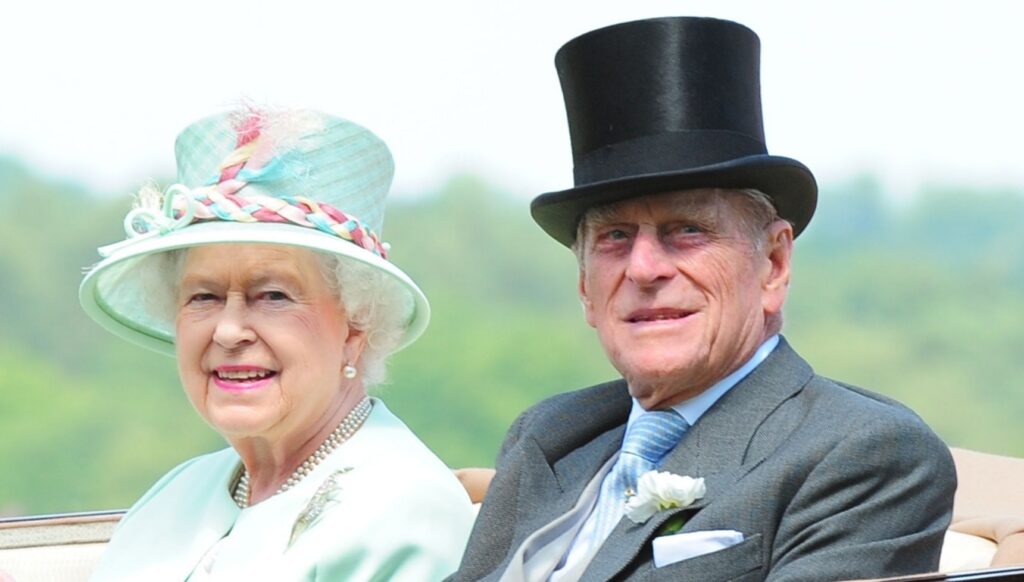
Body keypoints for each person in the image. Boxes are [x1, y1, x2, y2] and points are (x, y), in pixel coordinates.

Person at [451, 17, 956, 581]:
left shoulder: (863, 455)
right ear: (585, 288)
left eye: (687, 230)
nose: (644, 268)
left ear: (774, 264)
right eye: (615, 237)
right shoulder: (551, 434)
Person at [80, 107, 474, 580]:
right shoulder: (177, 492)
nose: (228, 332)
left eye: (272, 296)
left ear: (355, 326)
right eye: (203, 296)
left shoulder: (406, 508)